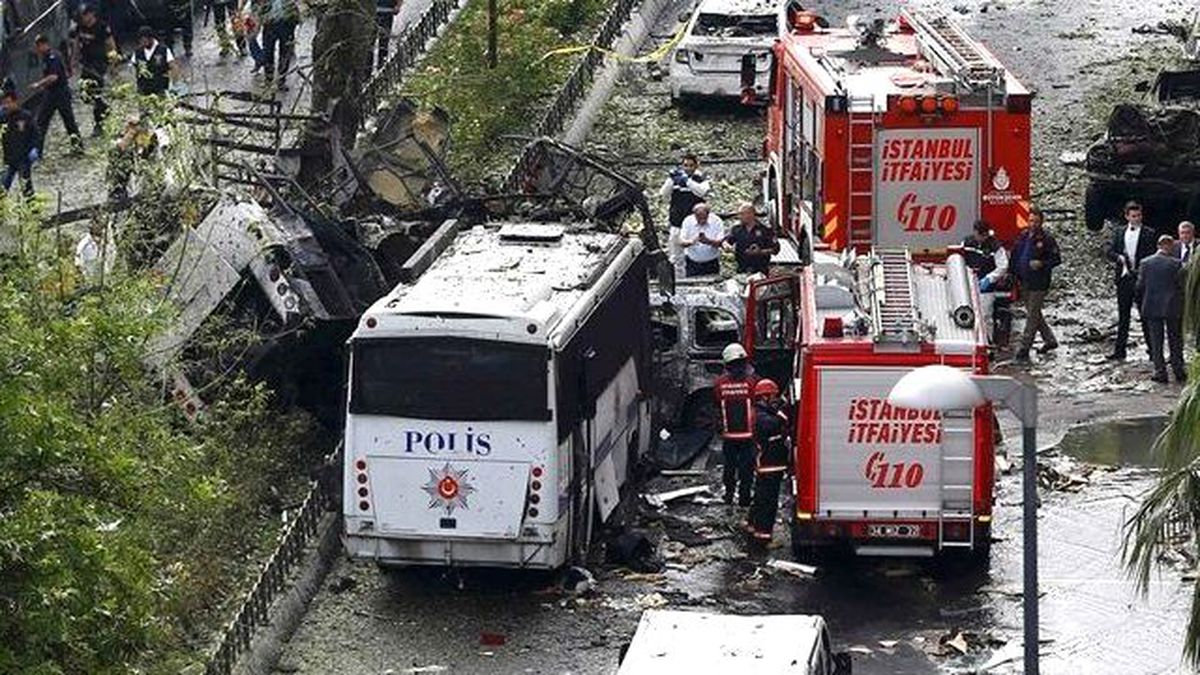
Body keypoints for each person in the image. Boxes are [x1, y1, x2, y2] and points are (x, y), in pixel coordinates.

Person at [1106, 201, 1157, 361]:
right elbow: (1109, 251)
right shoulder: (1119, 232)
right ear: (1127, 216)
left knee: (1145, 315)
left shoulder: (1149, 233)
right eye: (1133, 216)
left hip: (1142, 278)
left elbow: (1152, 256)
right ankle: (1120, 350)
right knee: (1123, 316)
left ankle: (1153, 350)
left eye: (1139, 216)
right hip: (1123, 278)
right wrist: (1119, 257)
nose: (1136, 219)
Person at [1011, 205, 1062, 361]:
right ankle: (1050, 339)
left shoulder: (1047, 239)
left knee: (1032, 316)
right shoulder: (1023, 236)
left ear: (1041, 222)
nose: (1033, 224)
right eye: (1031, 220)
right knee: (1035, 313)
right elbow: (1015, 255)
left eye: (1036, 221)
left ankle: (1024, 348)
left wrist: (1042, 264)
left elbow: (1056, 259)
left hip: (1039, 282)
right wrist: (1012, 274)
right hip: (1024, 280)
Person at [713, 343, 758, 507]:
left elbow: (717, 405)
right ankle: (744, 499)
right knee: (747, 469)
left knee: (730, 467)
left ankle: (729, 496)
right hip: (748, 435)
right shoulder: (751, 383)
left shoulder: (719, 384)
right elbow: (756, 403)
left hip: (729, 435)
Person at [1138, 234, 1187, 384]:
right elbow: (1182, 285)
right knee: (1175, 339)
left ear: (1158, 246)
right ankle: (1178, 370)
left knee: (1156, 341)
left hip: (1152, 305)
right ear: (1170, 246)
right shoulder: (1176, 263)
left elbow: (1140, 286)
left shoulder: (1145, 263)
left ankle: (1160, 372)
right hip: (1172, 306)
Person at [746, 378, 789, 545]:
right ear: (764, 397)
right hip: (768, 465)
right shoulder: (762, 417)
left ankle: (753, 527)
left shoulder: (761, 412)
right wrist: (784, 411)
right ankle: (763, 537)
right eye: (773, 397)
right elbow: (775, 424)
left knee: (760, 498)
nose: (775, 400)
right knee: (768, 503)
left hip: (768, 464)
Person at [962, 219, 1012, 347]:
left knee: (985, 316)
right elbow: (960, 259)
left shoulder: (995, 246)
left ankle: (987, 342)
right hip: (968, 284)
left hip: (986, 288)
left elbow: (1003, 266)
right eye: (979, 235)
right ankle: (970, 341)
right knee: (968, 314)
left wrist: (989, 279)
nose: (980, 238)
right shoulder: (967, 243)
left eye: (983, 235)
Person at [29, 34, 83, 154]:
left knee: (68, 121)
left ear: (44, 45)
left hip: (60, 93)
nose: (37, 50)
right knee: (41, 121)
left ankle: (78, 147)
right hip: (51, 93)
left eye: (38, 46)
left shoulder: (53, 57)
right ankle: (37, 150)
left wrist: (39, 84)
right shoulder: (46, 57)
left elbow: (53, 77)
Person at [70, 5, 118, 134]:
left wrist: (113, 65)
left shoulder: (102, 27)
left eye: (85, 15)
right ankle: (105, 108)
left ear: (92, 14)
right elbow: (76, 44)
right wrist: (73, 60)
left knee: (96, 92)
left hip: (99, 63)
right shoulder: (81, 27)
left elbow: (111, 45)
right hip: (86, 63)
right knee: (85, 94)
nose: (84, 18)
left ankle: (99, 124)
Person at [659, 153, 710, 270]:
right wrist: (671, 180)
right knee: (675, 257)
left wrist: (687, 181)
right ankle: (678, 280)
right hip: (677, 223)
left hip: (694, 225)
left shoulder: (700, 179)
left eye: (691, 165)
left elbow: (702, 191)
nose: (688, 168)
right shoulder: (676, 179)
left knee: (694, 254)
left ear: (696, 166)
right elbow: (663, 194)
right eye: (685, 165)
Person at [256, 0, 301, 91]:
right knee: (268, 52)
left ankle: (281, 80)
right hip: (270, 25)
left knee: (285, 53)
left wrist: (296, 19)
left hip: (286, 24)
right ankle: (268, 79)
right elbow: (259, 7)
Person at [1, 90, 38, 196]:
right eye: (4, 103)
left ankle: (32, 208)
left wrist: (34, 148)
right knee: (3, 186)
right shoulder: (4, 118)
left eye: (8, 103)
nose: (6, 106)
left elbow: (35, 134)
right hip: (9, 159)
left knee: (26, 185)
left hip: (23, 157)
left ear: (15, 102)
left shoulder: (25, 116)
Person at [726, 202, 779, 275]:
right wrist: (727, 247)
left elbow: (775, 249)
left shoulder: (765, 229)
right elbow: (727, 241)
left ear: (750, 214)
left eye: (741, 214)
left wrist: (760, 252)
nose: (739, 217)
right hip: (742, 270)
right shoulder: (736, 229)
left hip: (760, 270)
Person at [679, 202, 724, 277]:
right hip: (693, 263)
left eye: (704, 217)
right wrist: (692, 241)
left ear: (708, 214)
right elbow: (681, 242)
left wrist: (708, 241)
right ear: (694, 215)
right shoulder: (688, 221)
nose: (702, 220)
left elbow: (721, 242)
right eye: (699, 218)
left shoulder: (716, 221)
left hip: (711, 263)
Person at [131, 26, 177, 96]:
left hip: (160, 88)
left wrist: (173, 85)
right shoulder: (137, 52)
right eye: (142, 41)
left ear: (151, 38)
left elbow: (173, 67)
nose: (144, 43)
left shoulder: (163, 50)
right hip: (143, 89)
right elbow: (133, 68)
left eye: (145, 40)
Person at [375, 0, 401, 69]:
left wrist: (398, 5)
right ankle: (379, 66)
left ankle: (381, 66)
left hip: (386, 11)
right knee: (380, 40)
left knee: (383, 40)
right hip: (376, 11)